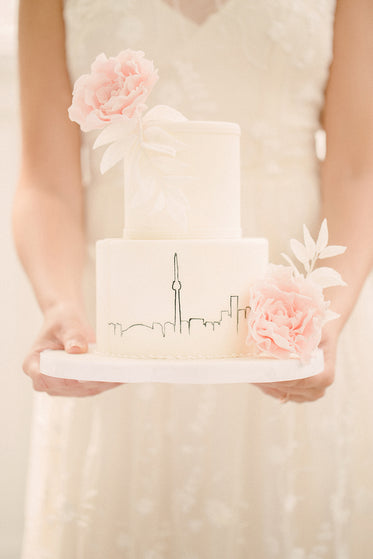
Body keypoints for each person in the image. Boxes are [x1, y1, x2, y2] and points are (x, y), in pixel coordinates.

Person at [14, 0, 373, 556]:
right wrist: (60, 304)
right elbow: (46, 182)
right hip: (119, 326)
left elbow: (356, 170)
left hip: (285, 316)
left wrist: (329, 312)